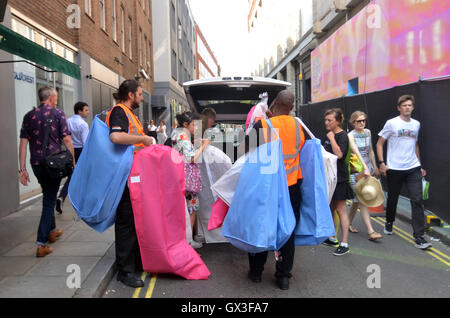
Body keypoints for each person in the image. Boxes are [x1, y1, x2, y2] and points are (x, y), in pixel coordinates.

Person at [244, 90, 305, 290]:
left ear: (274, 103)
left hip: (266, 188)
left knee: (261, 227)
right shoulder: (298, 126)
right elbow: (301, 150)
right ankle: (283, 276)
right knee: (287, 231)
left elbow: (248, 152)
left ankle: (256, 272)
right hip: (291, 188)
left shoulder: (263, 125)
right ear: (292, 107)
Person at [106, 79, 154, 288]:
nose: (142, 98)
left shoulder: (129, 113)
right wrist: (142, 140)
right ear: (130, 94)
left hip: (133, 175)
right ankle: (125, 271)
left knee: (134, 220)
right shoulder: (119, 111)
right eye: (140, 94)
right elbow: (116, 136)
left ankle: (134, 262)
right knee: (126, 221)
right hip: (124, 176)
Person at [19, 86, 75, 258]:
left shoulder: (29, 116)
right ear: (51, 97)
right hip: (53, 163)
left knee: (48, 194)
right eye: (56, 96)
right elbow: (66, 138)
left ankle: (52, 230)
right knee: (49, 201)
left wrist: (22, 169)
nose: (57, 99)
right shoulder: (58, 114)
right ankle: (41, 243)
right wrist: (73, 160)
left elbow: (23, 144)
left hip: (36, 164)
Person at [376, 95, 431, 250]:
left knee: (417, 200)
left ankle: (419, 237)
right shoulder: (392, 123)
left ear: (413, 107)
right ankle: (389, 221)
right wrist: (381, 163)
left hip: (413, 167)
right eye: (404, 105)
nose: (407, 107)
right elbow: (380, 143)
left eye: (409, 105)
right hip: (394, 168)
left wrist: (419, 165)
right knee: (393, 198)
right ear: (399, 107)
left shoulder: (416, 124)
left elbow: (415, 145)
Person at [173, 112, 210, 249]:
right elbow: (192, 157)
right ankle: (188, 241)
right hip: (187, 179)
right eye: (194, 124)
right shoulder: (183, 136)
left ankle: (185, 240)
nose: (196, 127)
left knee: (184, 208)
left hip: (178, 175)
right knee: (192, 207)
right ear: (185, 124)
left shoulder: (176, 134)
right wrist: (204, 145)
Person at [322, 108, 354, 256]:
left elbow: (339, 154)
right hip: (331, 177)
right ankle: (332, 237)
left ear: (338, 121)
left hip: (340, 179)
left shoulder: (342, 136)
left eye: (330, 120)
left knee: (341, 210)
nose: (327, 123)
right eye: (326, 120)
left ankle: (344, 243)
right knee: (331, 208)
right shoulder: (331, 135)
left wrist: (332, 138)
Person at [347, 111, 382, 241]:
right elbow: (356, 152)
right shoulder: (350, 135)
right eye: (358, 121)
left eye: (363, 121)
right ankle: (371, 231)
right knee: (362, 200)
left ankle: (347, 223)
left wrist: (375, 166)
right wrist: (365, 168)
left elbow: (371, 150)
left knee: (357, 201)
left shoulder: (368, 132)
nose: (362, 123)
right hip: (356, 171)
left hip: (368, 169)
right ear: (353, 123)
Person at [56, 102, 90, 214]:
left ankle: (62, 196)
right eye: (86, 110)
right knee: (81, 176)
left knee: (72, 176)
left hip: (69, 150)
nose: (88, 112)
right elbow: (86, 143)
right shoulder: (83, 125)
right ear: (79, 111)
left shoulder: (68, 121)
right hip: (80, 151)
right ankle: (80, 201)